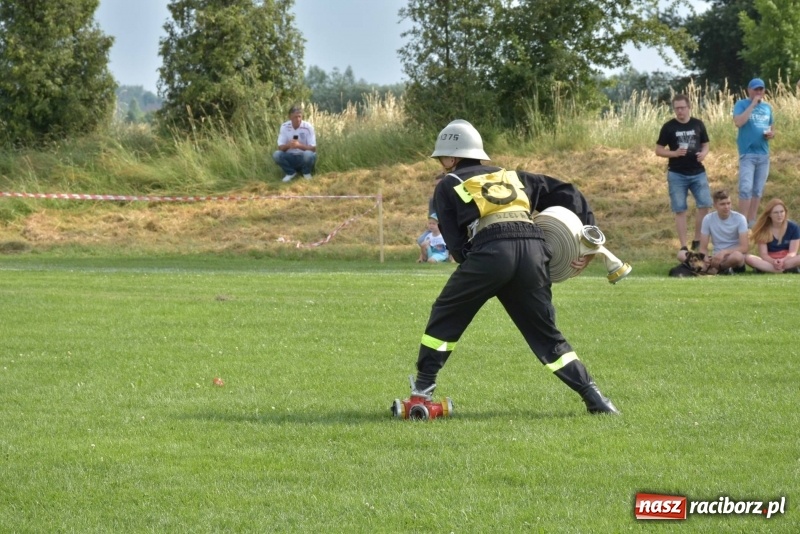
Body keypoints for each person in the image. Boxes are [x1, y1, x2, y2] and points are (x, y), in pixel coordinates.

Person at [395, 119, 620, 415]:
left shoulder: (448, 184)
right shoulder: (514, 177)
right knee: (545, 333)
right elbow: (571, 194)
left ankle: (422, 391)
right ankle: (595, 398)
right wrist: (587, 243)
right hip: (534, 251)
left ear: (450, 158)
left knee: (446, 314)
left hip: (491, 252)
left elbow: (457, 246)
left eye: (441, 159)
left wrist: (483, 269)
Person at [655, 94, 712, 253]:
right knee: (680, 209)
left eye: (682, 108)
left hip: (698, 172)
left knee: (705, 204)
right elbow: (658, 150)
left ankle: (697, 240)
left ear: (689, 107)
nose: (680, 111)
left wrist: (704, 154)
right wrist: (674, 153)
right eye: (677, 108)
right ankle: (683, 245)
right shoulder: (669, 127)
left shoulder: (698, 124)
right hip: (677, 173)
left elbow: (706, 144)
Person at [733, 78, 775, 228]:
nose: (758, 92)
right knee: (746, 188)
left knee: (758, 189)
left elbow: (772, 127)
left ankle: (752, 220)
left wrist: (771, 134)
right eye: (755, 89)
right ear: (749, 90)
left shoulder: (767, 108)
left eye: (761, 89)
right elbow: (738, 122)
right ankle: (742, 222)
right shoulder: (741, 104)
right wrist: (752, 105)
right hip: (747, 153)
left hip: (763, 154)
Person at [682, 189, 748, 274]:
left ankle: (715, 270)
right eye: (722, 204)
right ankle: (713, 269)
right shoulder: (708, 219)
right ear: (715, 205)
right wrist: (705, 258)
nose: (726, 207)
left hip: (732, 258)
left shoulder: (740, 218)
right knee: (682, 254)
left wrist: (724, 252)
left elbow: (744, 248)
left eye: (728, 203)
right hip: (716, 258)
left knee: (737, 256)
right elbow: (703, 248)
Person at [745, 198, 800, 273]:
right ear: (769, 215)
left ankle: (766, 269)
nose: (779, 215)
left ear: (785, 212)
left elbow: (792, 253)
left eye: (782, 212)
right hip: (770, 260)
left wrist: (782, 260)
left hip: (787, 259)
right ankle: (784, 270)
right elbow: (764, 254)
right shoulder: (763, 229)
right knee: (748, 258)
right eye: (776, 212)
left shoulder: (794, 227)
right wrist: (773, 261)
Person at [273, 105, 317, 183]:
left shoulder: (308, 127)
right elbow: (280, 148)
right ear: (290, 117)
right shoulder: (284, 127)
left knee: (308, 154)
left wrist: (299, 146)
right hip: (291, 156)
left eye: (299, 116)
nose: (298, 119)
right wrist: (288, 145)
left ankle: (306, 173)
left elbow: (313, 149)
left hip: (304, 156)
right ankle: (290, 173)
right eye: (295, 117)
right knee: (276, 155)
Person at [416, 173, 445, 261]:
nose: (436, 188)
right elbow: (432, 217)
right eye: (435, 186)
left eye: (439, 185)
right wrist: (433, 226)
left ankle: (446, 256)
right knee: (421, 239)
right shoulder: (433, 200)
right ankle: (427, 256)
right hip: (437, 225)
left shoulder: (452, 198)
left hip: (450, 227)